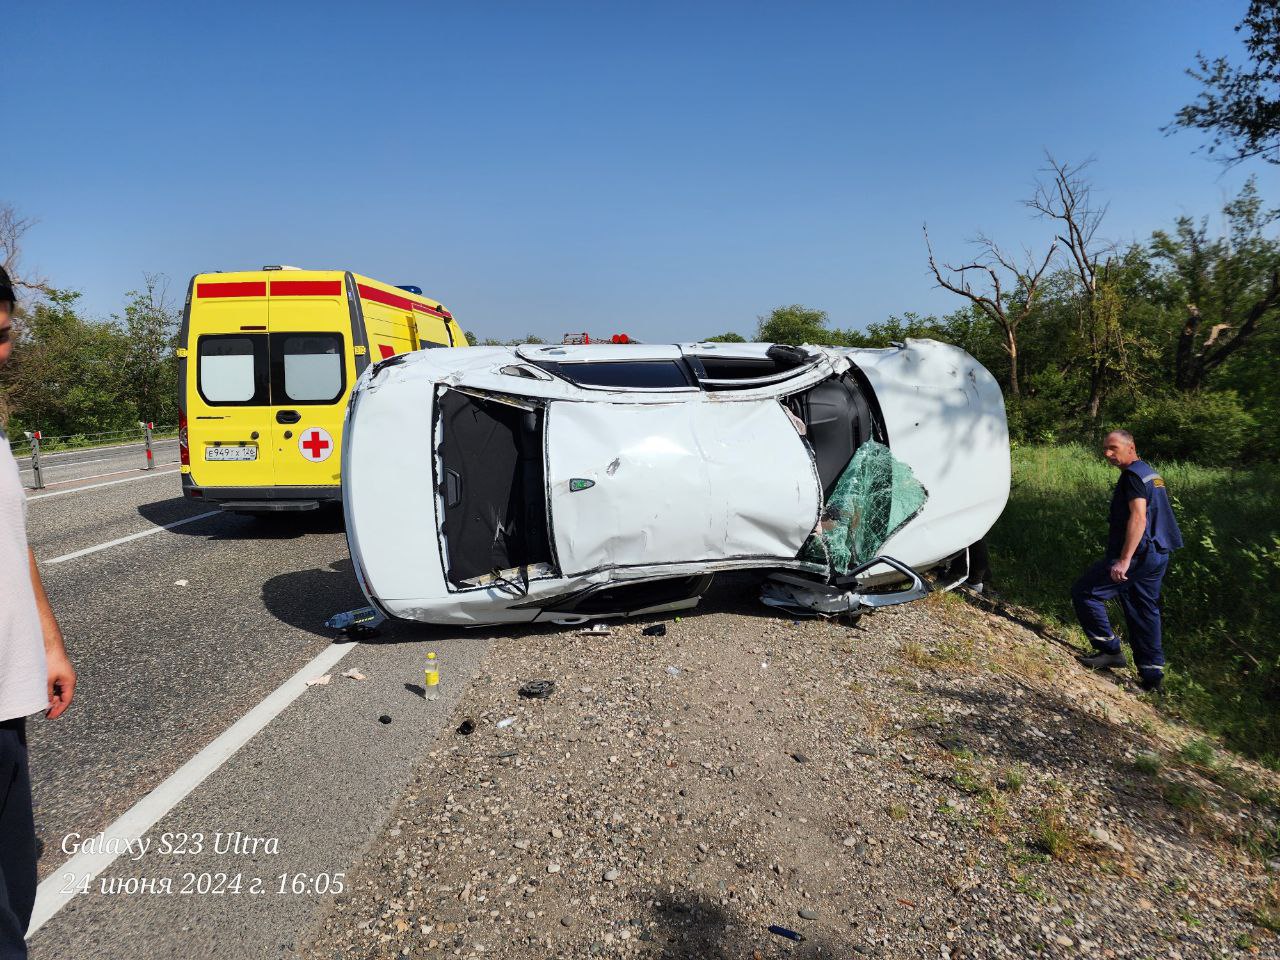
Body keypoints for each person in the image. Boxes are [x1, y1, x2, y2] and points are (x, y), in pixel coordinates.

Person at [0, 265, 76, 959]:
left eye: (1, 336)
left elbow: (10, 540)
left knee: (17, 885)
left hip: (6, 697)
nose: (0, 354)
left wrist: (48, 642)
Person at [1071, 430, 1183, 692]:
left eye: (1113, 448)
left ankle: (1109, 649)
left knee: (1086, 592)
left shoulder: (1133, 476)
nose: (1108, 454)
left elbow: (1139, 518)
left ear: (1130, 447)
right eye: (1105, 450)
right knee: (1144, 611)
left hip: (1139, 555)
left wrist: (1123, 560)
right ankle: (1152, 677)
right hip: (1158, 553)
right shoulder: (1149, 473)